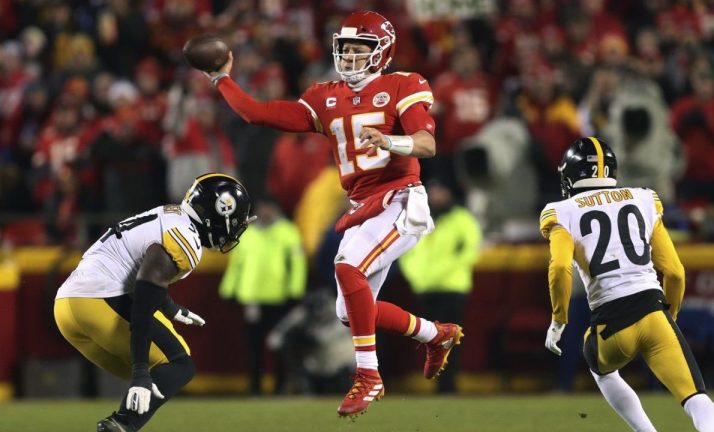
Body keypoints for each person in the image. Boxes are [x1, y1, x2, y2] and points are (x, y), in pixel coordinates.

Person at [202, 10, 463, 417]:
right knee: (349, 311)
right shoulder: (325, 96)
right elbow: (257, 113)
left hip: (400, 198)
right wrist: (222, 79)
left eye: (361, 49)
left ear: (382, 52)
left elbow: (426, 144)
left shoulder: (403, 84)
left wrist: (390, 143)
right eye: (346, 49)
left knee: (347, 268)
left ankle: (369, 376)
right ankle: (435, 334)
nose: (351, 57)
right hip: (364, 208)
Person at [540, 137, 714, 432]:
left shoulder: (561, 211)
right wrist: (668, 319)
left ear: (571, 174)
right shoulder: (644, 198)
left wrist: (559, 320)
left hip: (611, 323)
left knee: (601, 369)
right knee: (696, 398)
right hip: (653, 311)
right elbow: (675, 272)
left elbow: (560, 267)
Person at [53, 173, 255, 432]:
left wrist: (171, 308)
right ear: (219, 215)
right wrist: (139, 371)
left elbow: (142, 278)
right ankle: (121, 426)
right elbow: (144, 294)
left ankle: (121, 423)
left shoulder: (172, 215)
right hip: (97, 299)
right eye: (236, 221)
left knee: (162, 377)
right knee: (177, 366)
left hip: (67, 307)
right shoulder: (186, 239)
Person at [398, 178, 482, 393]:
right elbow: (405, 251)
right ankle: (439, 385)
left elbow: (470, 251)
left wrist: (442, 271)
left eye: (439, 190)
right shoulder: (420, 219)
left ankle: (447, 386)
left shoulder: (462, 219)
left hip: (452, 288)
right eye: (432, 191)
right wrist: (417, 276)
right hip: (425, 288)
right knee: (432, 343)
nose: (436, 195)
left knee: (449, 341)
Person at [219, 196, 307, 394]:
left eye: (268, 207)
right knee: (254, 347)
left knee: (279, 345)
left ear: (275, 210)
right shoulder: (247, 234)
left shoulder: (288, 232)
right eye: (262, 208)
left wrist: (295, 291)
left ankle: (280, 386)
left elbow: (297, 264)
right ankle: (255, 387)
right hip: (252, 298)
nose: (264, 212)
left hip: (278, 298)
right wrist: (228, 289)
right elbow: (236, 265)